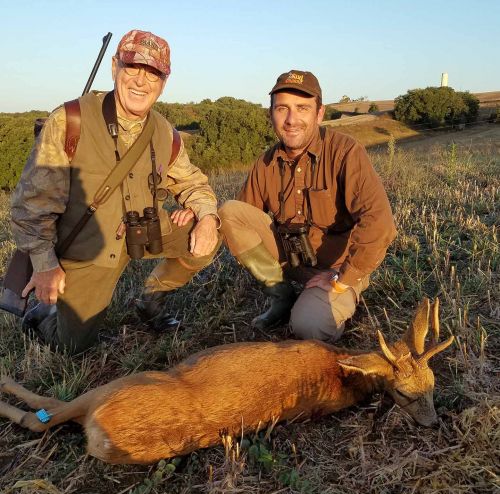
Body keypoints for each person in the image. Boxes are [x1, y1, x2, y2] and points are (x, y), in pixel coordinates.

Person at [11, 30, 220, 354]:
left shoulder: (165, 132)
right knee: (73, 347)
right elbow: (31, 205)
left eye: (153, 73)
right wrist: (44, 264)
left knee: (210, 236)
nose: (141, 81)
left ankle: (151, 299)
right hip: (90, 248)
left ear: (164, 82)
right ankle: (45, 315)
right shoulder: (70, 121)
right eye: (133, 67)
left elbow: (192, 182)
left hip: (145, 233)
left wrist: (206, 217)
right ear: (114, 67)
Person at [218, 70, 396, 341]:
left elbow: (379, 222)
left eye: (302, 108)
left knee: (309, 327)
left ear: (319, 113)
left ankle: (333, 299)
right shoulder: (265, 163)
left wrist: (342, 280)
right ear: (271, 114)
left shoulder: (346, 152)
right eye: (282, 109)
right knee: (228, 212)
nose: (291, 120)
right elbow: (243, 220)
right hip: (290, 261)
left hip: (335, 271)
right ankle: (281, 296)